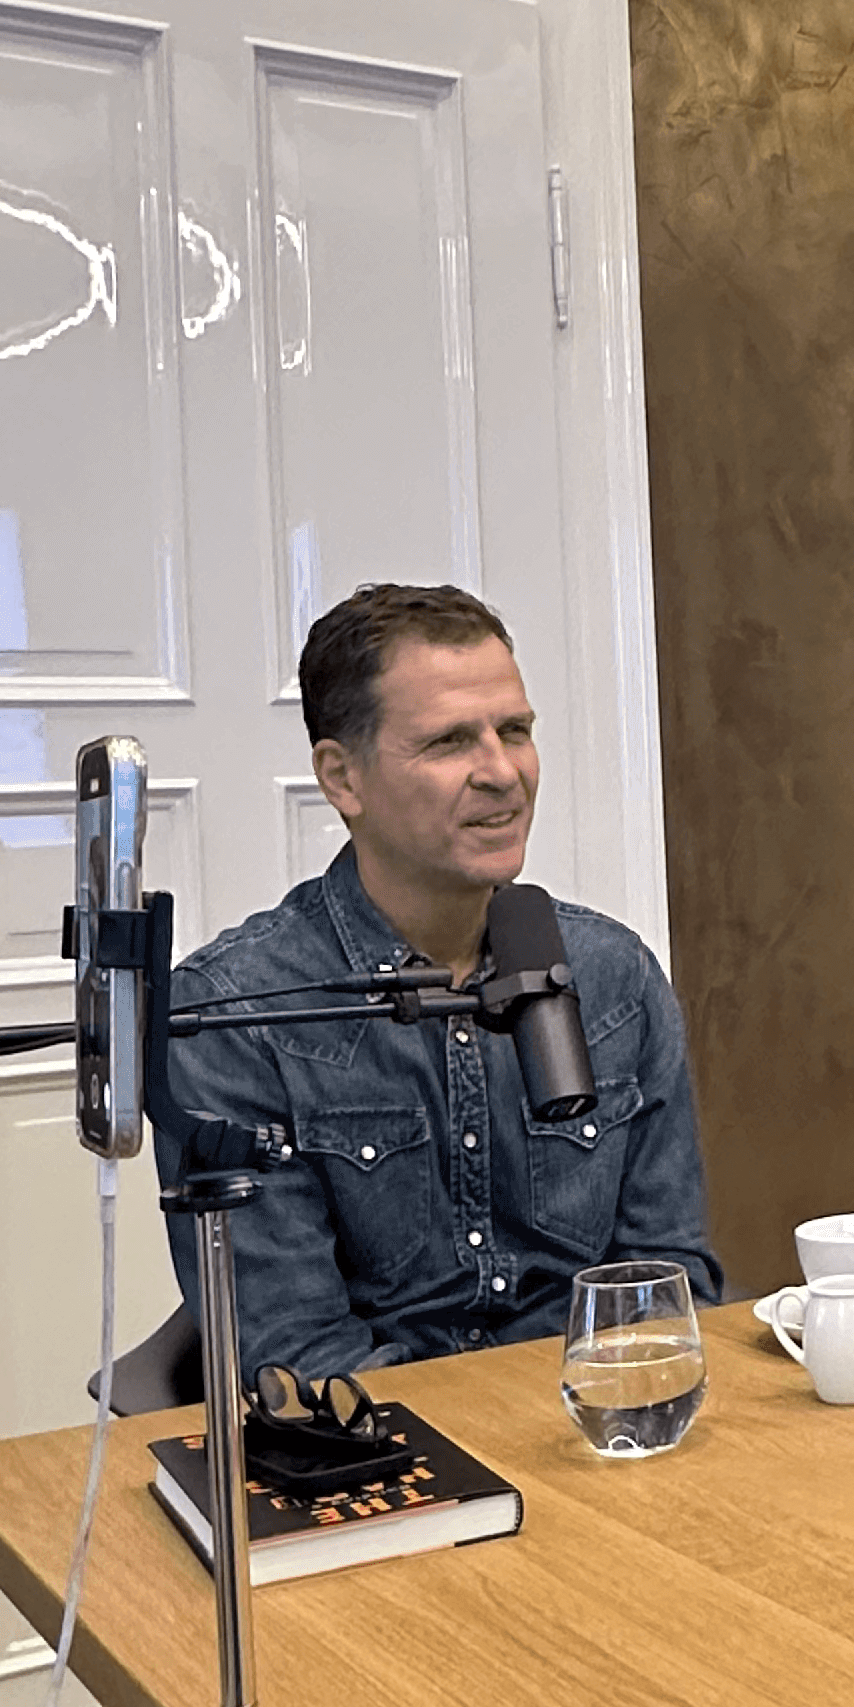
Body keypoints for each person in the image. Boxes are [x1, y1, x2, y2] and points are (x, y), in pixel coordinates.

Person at [163, 580, 718, 1375]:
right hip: (373, 1450)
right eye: (451, 741)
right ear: (342, 779)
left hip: (596, 1425)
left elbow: (668, 1283)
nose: (503, 772)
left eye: (516, 730)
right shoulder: (233, 1014)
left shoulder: (612, 976)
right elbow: (292, 1354)